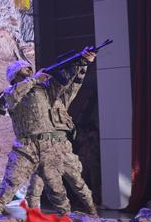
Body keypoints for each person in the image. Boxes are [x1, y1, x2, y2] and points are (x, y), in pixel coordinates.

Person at [0, 53, 99, 216]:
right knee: (8, 187)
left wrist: (82, 64)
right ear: (15, 75)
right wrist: (34, 79)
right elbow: (10, 97)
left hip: (50, 147)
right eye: (24, 70)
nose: (29, 71)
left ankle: (78, 218)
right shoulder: (11, 92)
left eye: (29, 69)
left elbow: (69, 89)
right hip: (26, 147)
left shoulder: (45, 90)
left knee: (58, 190)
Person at [22, 61, 97, 214]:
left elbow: (73, 87)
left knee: (77, 181)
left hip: (62, 146)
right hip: (44, 147)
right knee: (39, 185)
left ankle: (91, 210)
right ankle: (35, 216)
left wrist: (81, 66)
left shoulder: (59, 100)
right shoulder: (28, 97)